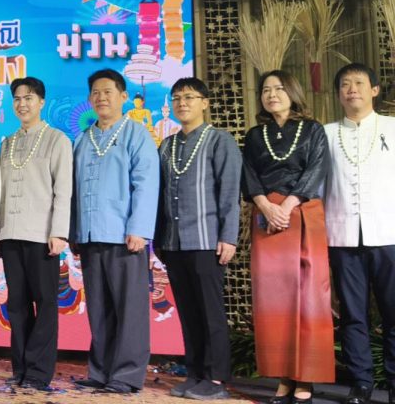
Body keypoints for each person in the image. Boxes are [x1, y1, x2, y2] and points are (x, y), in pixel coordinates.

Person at [242, 69, 332, 404]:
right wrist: (266, 206)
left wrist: (289, 205)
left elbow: (317, 170)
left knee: (309, 297)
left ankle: (305, 376)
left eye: (279, 88)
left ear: (292, 92)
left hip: (303, 213)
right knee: (274, 298)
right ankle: (283, 377)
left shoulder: (313, 130)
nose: (272, 94)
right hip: (268, 218)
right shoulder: (255, 135)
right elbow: (249, 174)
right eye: (266, 89)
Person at [70, 69, 158, 394]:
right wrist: (74, 232)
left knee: (129, 309)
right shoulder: (82, 139)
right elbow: (72, 191)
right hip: (90, 236)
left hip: (124, 237)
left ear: (123, 96)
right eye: (95, 92)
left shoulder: (137, 133)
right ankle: (100, 370)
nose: (101, 97)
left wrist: (139, 229)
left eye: (108, 91)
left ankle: (127, 375)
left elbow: (146, 183)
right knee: (98, 308)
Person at [153, 77, 241, 400]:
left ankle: (216, 380)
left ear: (204, 102)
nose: (182, 103)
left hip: (207, 241)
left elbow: (230, 193)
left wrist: (229, 237)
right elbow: (159, 197)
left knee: (210, 312)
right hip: (174, 243)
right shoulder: (167, 145)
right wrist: (159, 240)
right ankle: (195, 374)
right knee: (188, 313)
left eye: (189, 97)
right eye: (176, 98)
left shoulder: (220, 140)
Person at [0, 77, 72, 391]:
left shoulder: (57, 139)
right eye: (17, 98)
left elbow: (63, 190)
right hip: (10, 234)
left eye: (28, 98)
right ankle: (21, 367)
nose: (22, 104)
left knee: (46, 303)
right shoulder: (7, 143)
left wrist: (60, 232)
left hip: (42, 235)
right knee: (17, 304)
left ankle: (39, 371)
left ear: (41, 102)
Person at [323, 63, 395, 404]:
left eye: (359, 83)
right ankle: (361, 384)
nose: (352, 89)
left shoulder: (392, 128)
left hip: (389, 235)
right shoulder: (325, 133)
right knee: (353, 315)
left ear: (374, 90)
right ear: (338, 94)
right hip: (343, 236)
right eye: (345, 84)